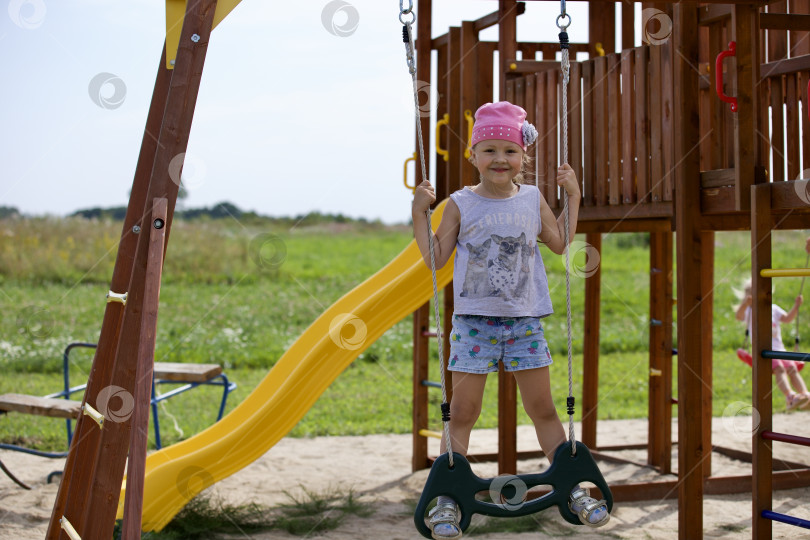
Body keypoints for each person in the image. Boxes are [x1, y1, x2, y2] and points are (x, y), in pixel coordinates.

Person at [412, 101, 609, 539]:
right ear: (473, 155)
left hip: (524, 322)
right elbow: (436, 258)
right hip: (474, 324)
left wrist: (573, 195)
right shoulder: (460, 203)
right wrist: (418, 212)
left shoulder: (533, 199)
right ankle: (447, 497)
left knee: (543, 408)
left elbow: (559, 244)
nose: (500, 159)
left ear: (523, 156)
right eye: (489, 150)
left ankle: (574, 488)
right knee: (462, 411)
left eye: (509, 150)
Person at [734, 281, 809, 410]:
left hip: (780, 349)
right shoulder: (750, 310)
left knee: (792, 369)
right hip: (764, 351)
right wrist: (745, 304)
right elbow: (738, 316)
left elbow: (787, 319)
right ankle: (790, 396)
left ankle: (805, 395)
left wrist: (796, 306)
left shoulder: (773, 308)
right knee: (779, 369)